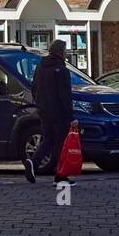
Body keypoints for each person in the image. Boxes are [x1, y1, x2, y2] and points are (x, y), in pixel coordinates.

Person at [24, 39, 73, 183]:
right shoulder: (61, 69)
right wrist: (70, 116)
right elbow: (65, 95)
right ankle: (60, 176)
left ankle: (33, 161)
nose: (66, 54)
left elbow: (34, 88)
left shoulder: (40, 67)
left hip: (44, 111)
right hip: (59, 113)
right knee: (60, 143)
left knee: (48, 140)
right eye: (65, 51)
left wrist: (40, 104)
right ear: (60, 52)